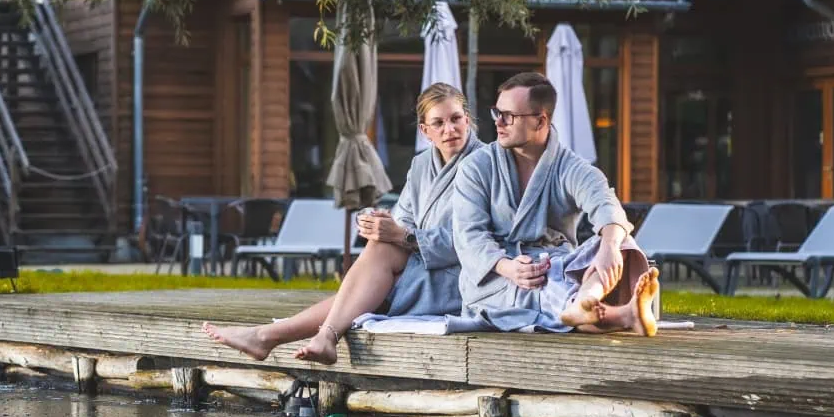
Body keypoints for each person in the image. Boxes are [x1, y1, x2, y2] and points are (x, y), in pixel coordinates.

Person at [204, 82, 482, 365]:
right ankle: (297, 336)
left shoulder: (484, 165)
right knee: (375, 259)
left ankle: (273, 336)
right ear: (425, 130)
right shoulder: (422, 165)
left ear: (467, 119)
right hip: (422, 265)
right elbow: (404, 219)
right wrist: (380, 224)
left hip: (461, 278)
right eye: (439, 122)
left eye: (456, 119)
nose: (450, 129)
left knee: (371, 282)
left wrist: (405, 237)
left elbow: (473, 243)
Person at [452, 71, 659, 335]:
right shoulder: (476, 167)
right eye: (497, 112)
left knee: (619, 239)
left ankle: (589, 300)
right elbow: (469, 236)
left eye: (509, 116)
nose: (499, 123)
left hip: (556, 266)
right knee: (551, 284)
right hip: (497, 278)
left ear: (540, 121)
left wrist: (609, 246)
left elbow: (605, 202)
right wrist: (509, 267)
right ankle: (613, 310)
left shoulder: (568, 166)